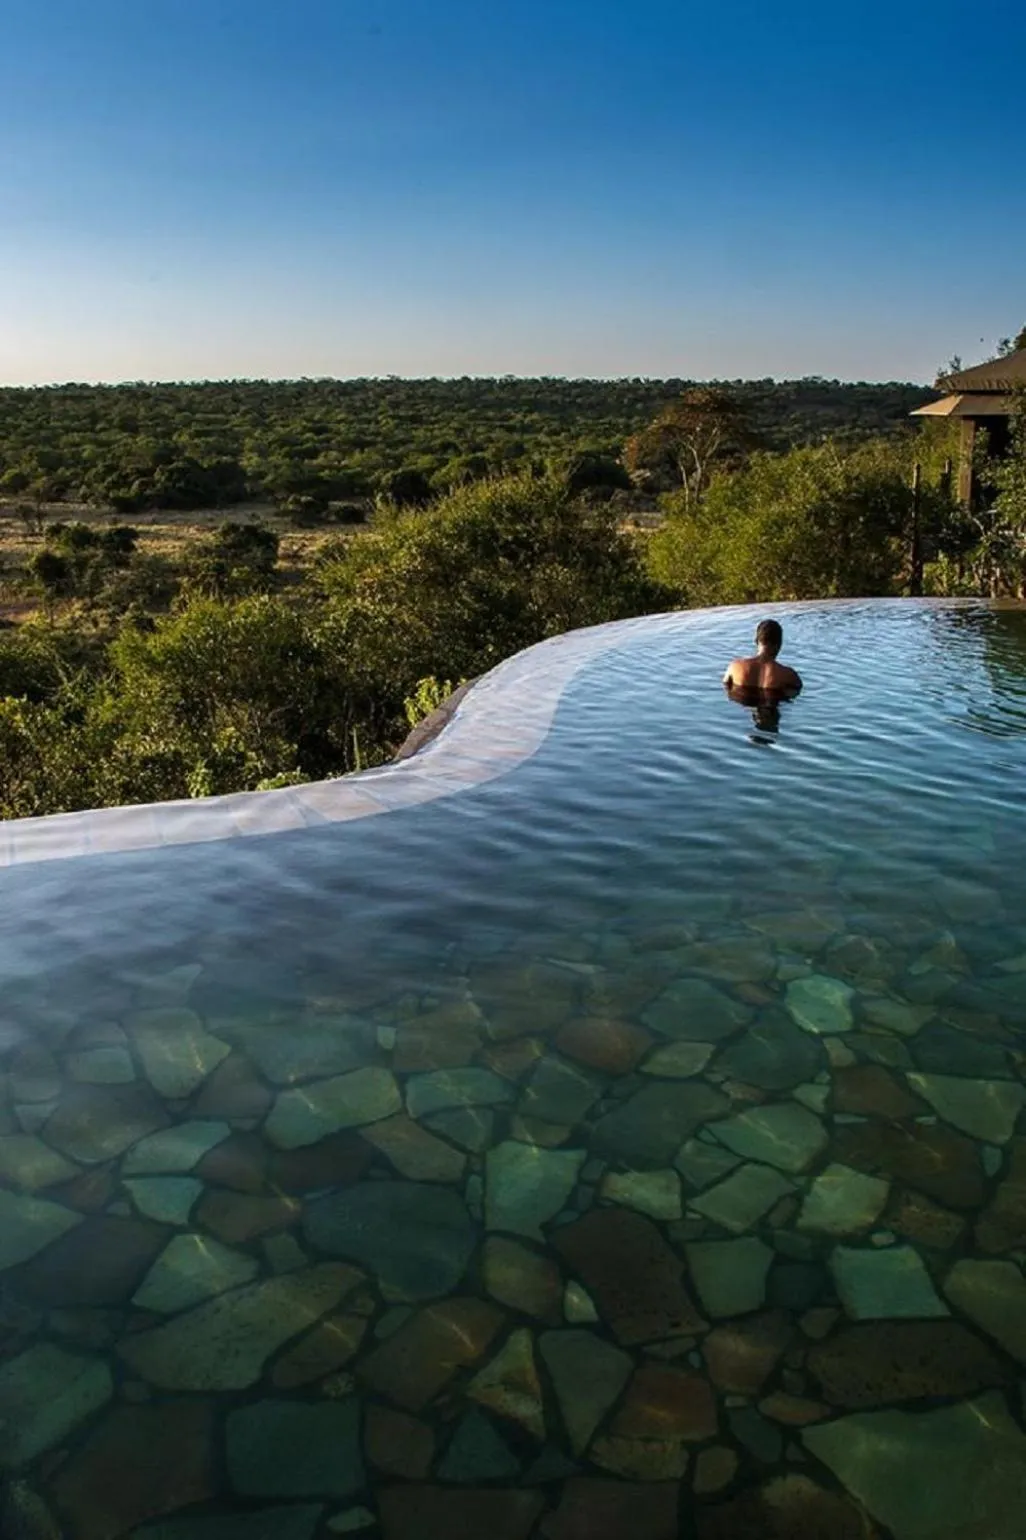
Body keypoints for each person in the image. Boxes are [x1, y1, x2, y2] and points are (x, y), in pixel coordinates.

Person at [723, 618, 802, 695]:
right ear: (780, 644)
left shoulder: (734, 667)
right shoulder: (789, 675)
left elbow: (726, 688)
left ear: (756, 641)